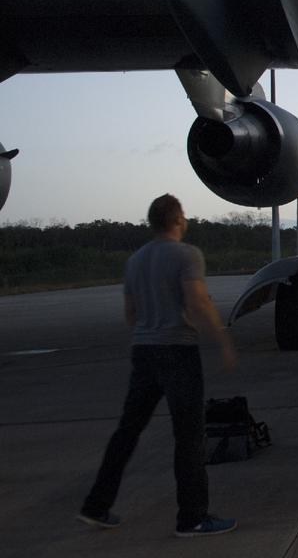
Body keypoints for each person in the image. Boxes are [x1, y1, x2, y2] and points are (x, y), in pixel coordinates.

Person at [78, 194, 238, 537]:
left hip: (144, 351)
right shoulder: (187, 255)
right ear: (178, 220)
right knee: (189, 437)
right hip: (177, 352)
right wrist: (222, 338)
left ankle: (96, 505)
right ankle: (193, 518)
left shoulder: (135, 260)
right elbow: (196, 301)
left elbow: (130, 315)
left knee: (128, 431)